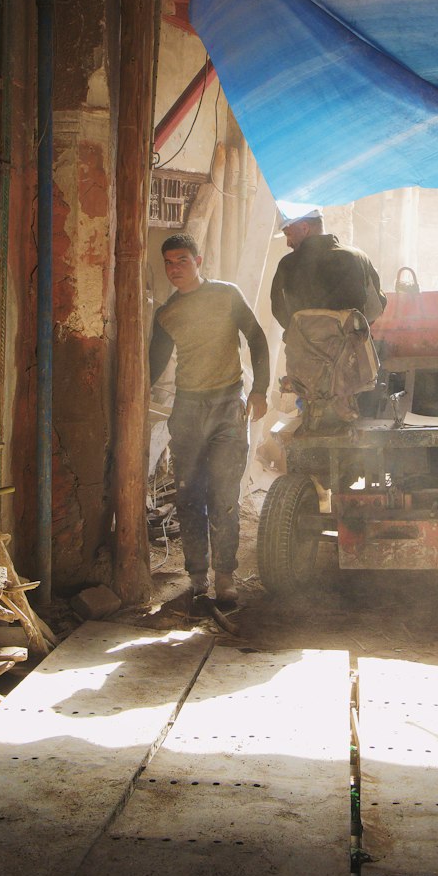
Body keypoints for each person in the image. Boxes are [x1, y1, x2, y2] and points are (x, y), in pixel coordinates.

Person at [149, 232, 269, 609]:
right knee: (188, 495)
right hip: (187, 412)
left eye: (182, 260)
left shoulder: (226, 295)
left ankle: (226, 576)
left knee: (224, 496)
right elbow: (153, 365)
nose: (174, 269)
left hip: (227, 409)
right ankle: (197, 576)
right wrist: (135, 395)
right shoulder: (167, 314)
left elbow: (257, 338)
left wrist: (260, 390)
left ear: (199, 262)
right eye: (169, 262)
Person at [269, 204, 386, 432]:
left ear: (304, 227)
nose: (288, 242)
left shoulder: (286, 265)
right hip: (352, 371)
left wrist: (305, 336)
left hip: (306, 370)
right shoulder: (358, 257)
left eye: (288, 234)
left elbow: (279, 311)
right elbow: (376, 307)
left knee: (310, 422)